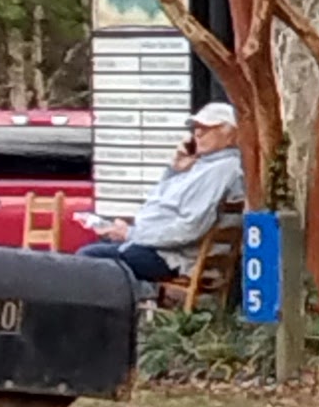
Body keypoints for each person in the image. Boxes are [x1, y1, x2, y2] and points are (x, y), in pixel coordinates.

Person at [89, 104, 243, 289]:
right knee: (98, 249)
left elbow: (190, 228)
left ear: (230, 134)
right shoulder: (202, 166)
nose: (198, 133)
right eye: (196, 128)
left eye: (207, 128)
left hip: (174, 258)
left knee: (89, 260)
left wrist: (131, 234)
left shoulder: (221, 170)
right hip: (159, 248)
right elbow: (156, 204)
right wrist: (174, 171)